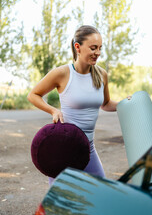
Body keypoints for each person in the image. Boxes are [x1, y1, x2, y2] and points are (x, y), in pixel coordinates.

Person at [27, 25, 118, 185]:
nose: (97, 52)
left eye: (100, 48)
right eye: (93, 48)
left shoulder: (101, 74)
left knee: (100, 194)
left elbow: (106, 104)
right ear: (78, 47)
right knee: (63, 204)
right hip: (64, 151)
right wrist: (53, 110)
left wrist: (127, 104)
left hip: (88, 148)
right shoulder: (62, 73)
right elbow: (33, 95)